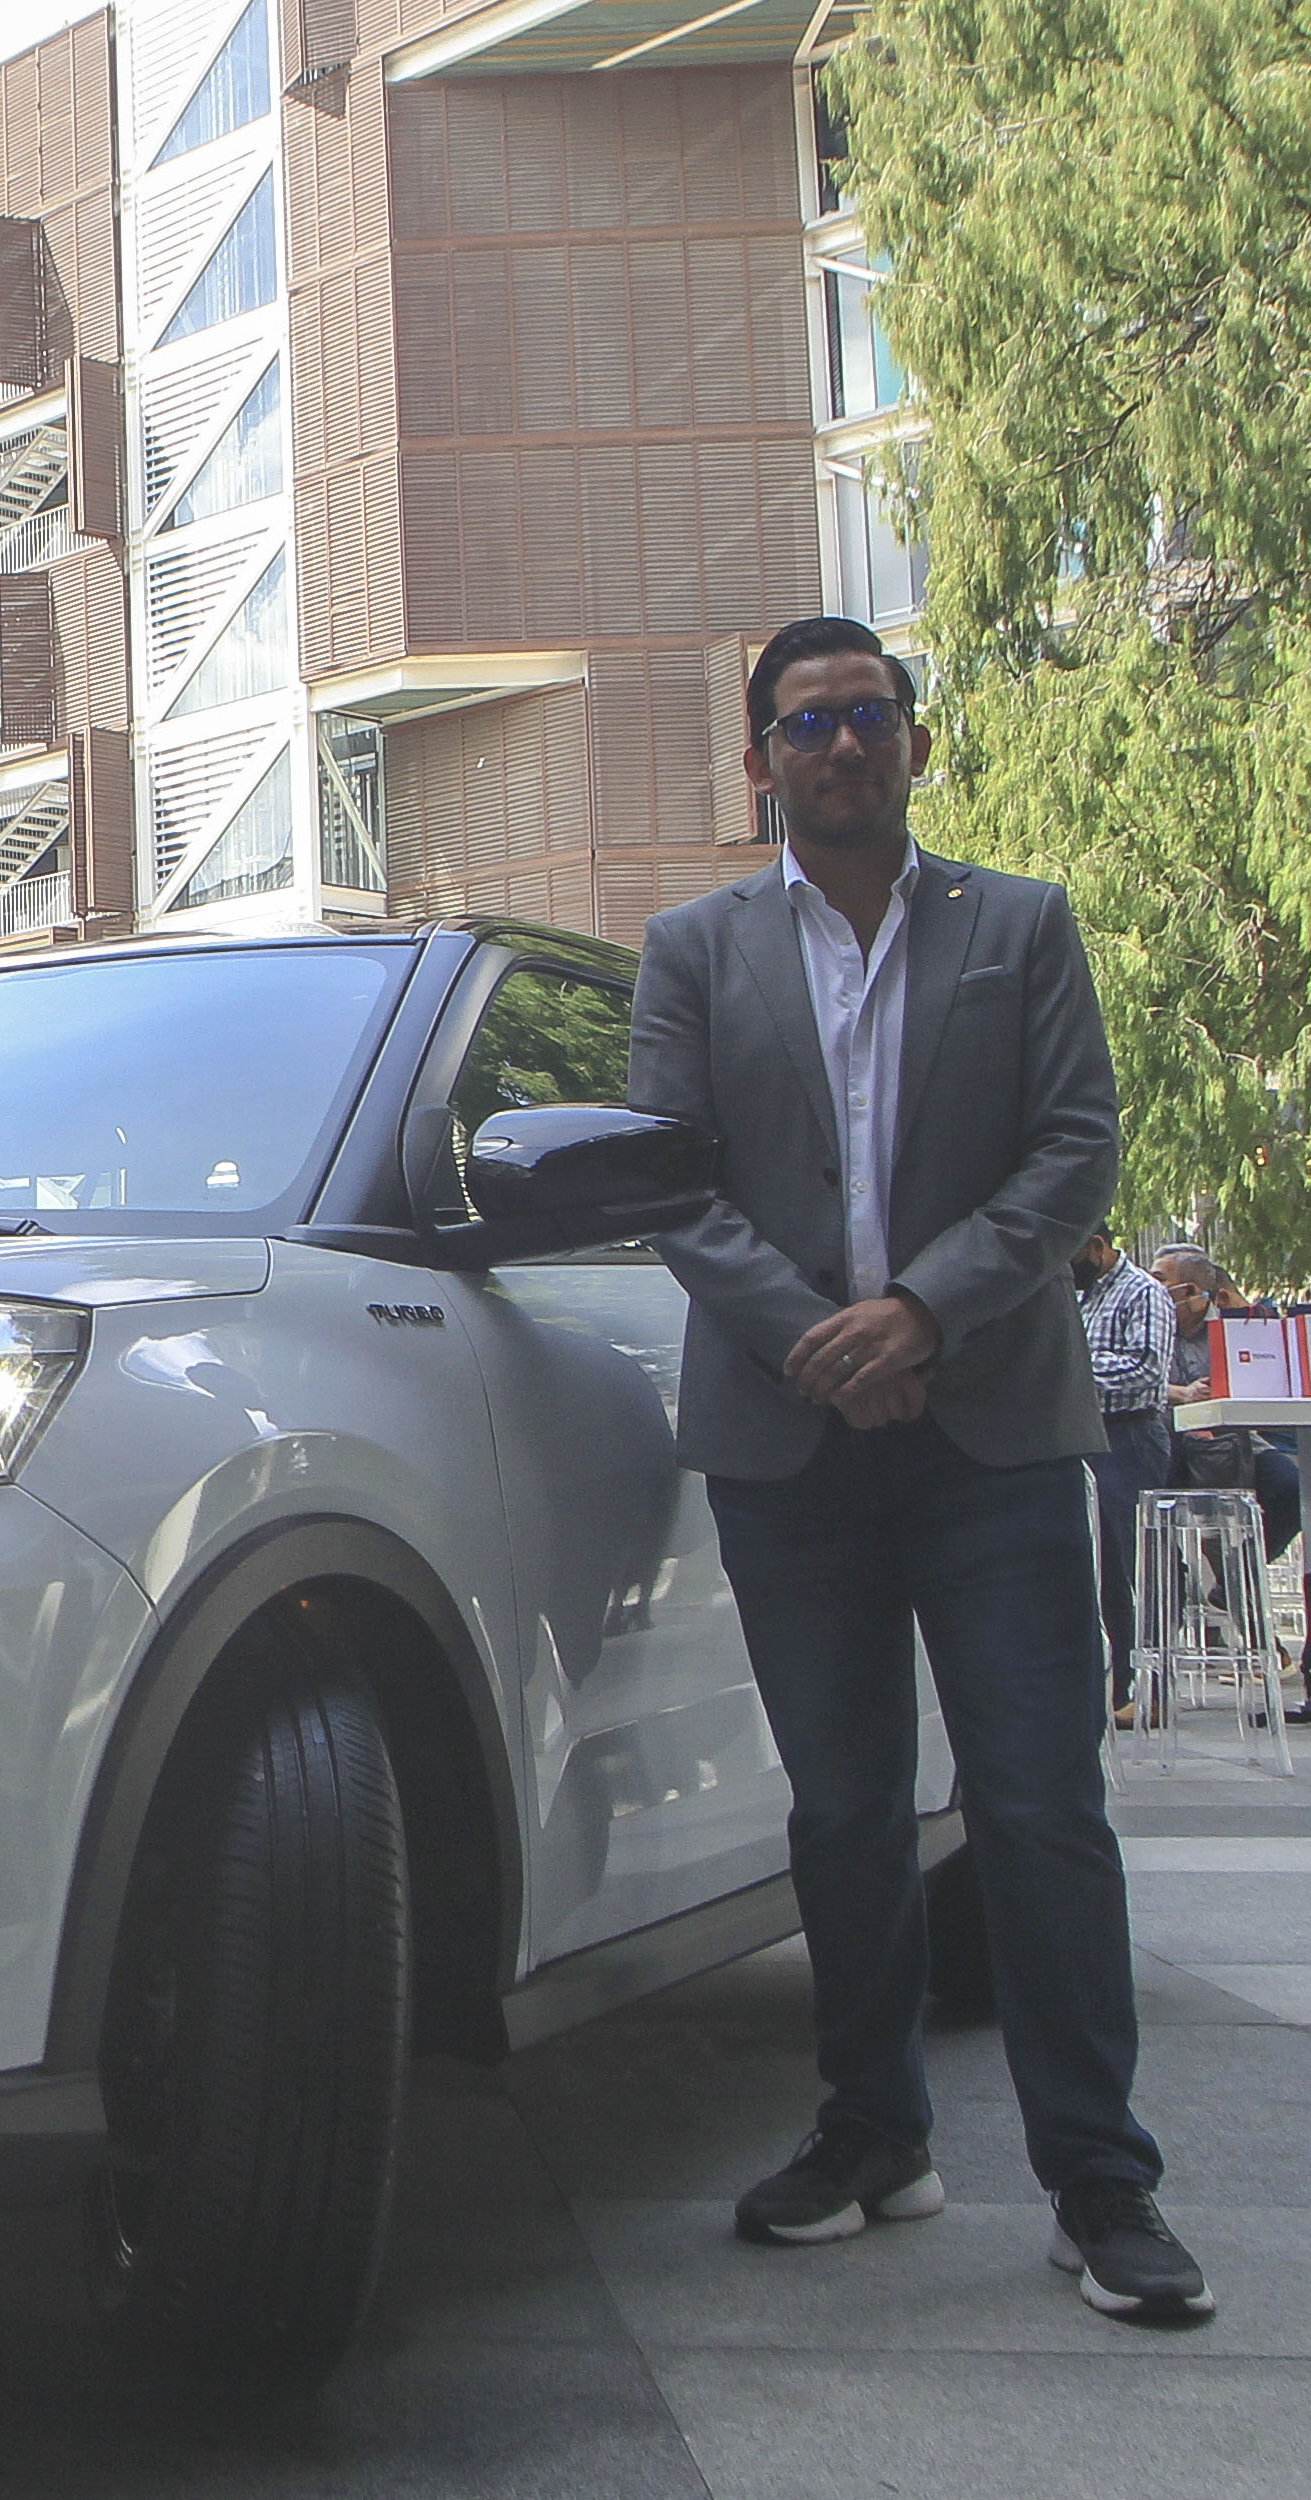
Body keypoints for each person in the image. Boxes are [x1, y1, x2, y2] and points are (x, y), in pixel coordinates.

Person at [630, 616, 1210, 2321]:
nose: (837, 743)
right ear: (757, 762)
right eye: (803, 723)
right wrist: (815, 1328)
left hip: (994, 1439)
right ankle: (870, 2133)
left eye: (866, 715)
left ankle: (1096, 2184)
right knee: (839, 1808)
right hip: (783, 1437)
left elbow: (1069, 1146)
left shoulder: (1014, 926)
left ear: (911, 743)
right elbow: (665, 1177)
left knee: (1036, 1806)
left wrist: (918, 1315)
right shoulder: (691, 949)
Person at [1074, 1232, 1177, 1720]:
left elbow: (1146, 1369)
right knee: (1099, 1567)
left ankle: (1147, 1685)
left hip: (1130, 1435)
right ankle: (1113, 1684)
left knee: (1130, 1563)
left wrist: (1070, 1367)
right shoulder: (1080, 1296)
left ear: (1096, 1246)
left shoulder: (1143, 1291)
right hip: (1084, 1436)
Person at [1154, 1245, 1301, 1562]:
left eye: (1160, 1280)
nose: (1152, 1289)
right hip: (1168, 1437)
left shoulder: (1232, 1325)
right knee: (1152, 1499)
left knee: (1291, 1487)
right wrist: (1182, 1392)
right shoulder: (1148, 1322)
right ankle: (1174, 1589)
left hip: (1234, 1437)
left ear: (1190, 1290)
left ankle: (1241, 1572)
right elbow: (1139, 1380)